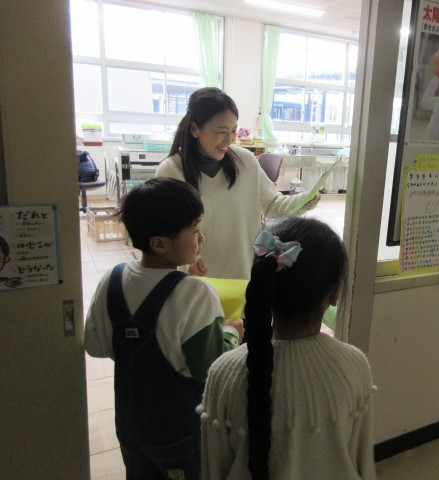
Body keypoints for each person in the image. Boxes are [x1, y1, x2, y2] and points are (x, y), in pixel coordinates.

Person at [84, 177, 244, 479]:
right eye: (195, 230)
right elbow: (211, 368)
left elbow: (95, 346)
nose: (202, 238)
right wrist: (232, 331)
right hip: (179, 432)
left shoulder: (112, 279)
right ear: (160, 244)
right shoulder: (196, 293)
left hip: (130, 426)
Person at [200, 216, 376, 480]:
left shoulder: (222, 373)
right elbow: (362, 465)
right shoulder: (355, 365)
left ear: (262, 285)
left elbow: (212, 470)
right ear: (335, 293)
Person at [156, 87, 319, 280]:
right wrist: (189, 259)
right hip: (198, 278)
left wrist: (305, 200)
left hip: (244, 274)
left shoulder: (245, 161)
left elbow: (272, 205)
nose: (230, 139)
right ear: (194, 129)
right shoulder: (171, 171)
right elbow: (167, 233)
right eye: (221, 131)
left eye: (233, 130)